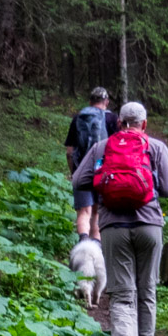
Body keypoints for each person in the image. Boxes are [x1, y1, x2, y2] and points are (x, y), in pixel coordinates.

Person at [71, 101, 168, 336]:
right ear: (144, 124)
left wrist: (104, 185)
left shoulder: (103, 148)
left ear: (119, 122)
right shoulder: (156, 148)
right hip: (149, 227)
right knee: (147, 294)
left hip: (113, 229)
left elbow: (78, 180)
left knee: (121, 296)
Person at [63, 87, 114, 241]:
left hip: (81, 170)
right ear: (106, 102)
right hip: (103, 172)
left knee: (84, 212)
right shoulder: (112, 119)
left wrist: (74, 173)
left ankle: (83, 244)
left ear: (90, 101)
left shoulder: (79, 117)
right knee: (97, 212)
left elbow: (70, 151)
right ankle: (96, 248)